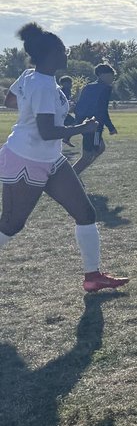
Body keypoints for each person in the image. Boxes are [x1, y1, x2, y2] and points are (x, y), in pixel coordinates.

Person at [0, 23, 128, 293]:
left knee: (85, 212)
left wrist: (34, 107)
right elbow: (47, 131)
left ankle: (93, 277)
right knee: (11, 224)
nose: (67, 53)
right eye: (63, 49)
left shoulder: (30, 77)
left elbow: (10, 101)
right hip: (26, 158)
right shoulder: (44, 86)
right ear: (51, 54)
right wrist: (83, 128)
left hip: (50, 158)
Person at [71, 64, 118, 176]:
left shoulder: (88, 87)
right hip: (94, 127)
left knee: (99, 148)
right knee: (89, 154)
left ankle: (75, 175)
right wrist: (111, 127)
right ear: (101, 75)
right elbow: (102, 110)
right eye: (111, 75)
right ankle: (72, 176)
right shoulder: (105, 88)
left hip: (85, 124)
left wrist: (80, 123)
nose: (112, 78)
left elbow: (78, 107)